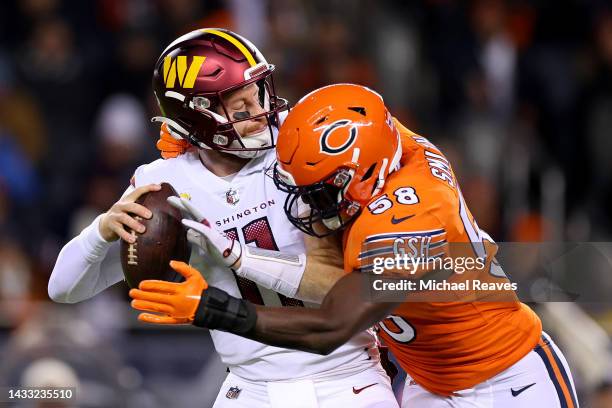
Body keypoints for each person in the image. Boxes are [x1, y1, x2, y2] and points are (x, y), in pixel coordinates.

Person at [131, 84, 580, 407]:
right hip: (429, 381)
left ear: (364, 177)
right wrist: (202, 134)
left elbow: (329, 326)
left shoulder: (410, 222)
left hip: (508, 379)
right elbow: (342, 121)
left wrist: (209, 309)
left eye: (321, 190)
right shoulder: (385, 143)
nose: (304, 203)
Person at [49, 31, 398, 407]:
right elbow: (63, 289)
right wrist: (101, 231)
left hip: (344, 376)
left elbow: (344, 288)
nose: (263, 114)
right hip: (249, 387)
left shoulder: (304, 149)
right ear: (196, 115)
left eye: (260, 94)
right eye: (243, 107)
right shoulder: (164, 185)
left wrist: (235, 255)